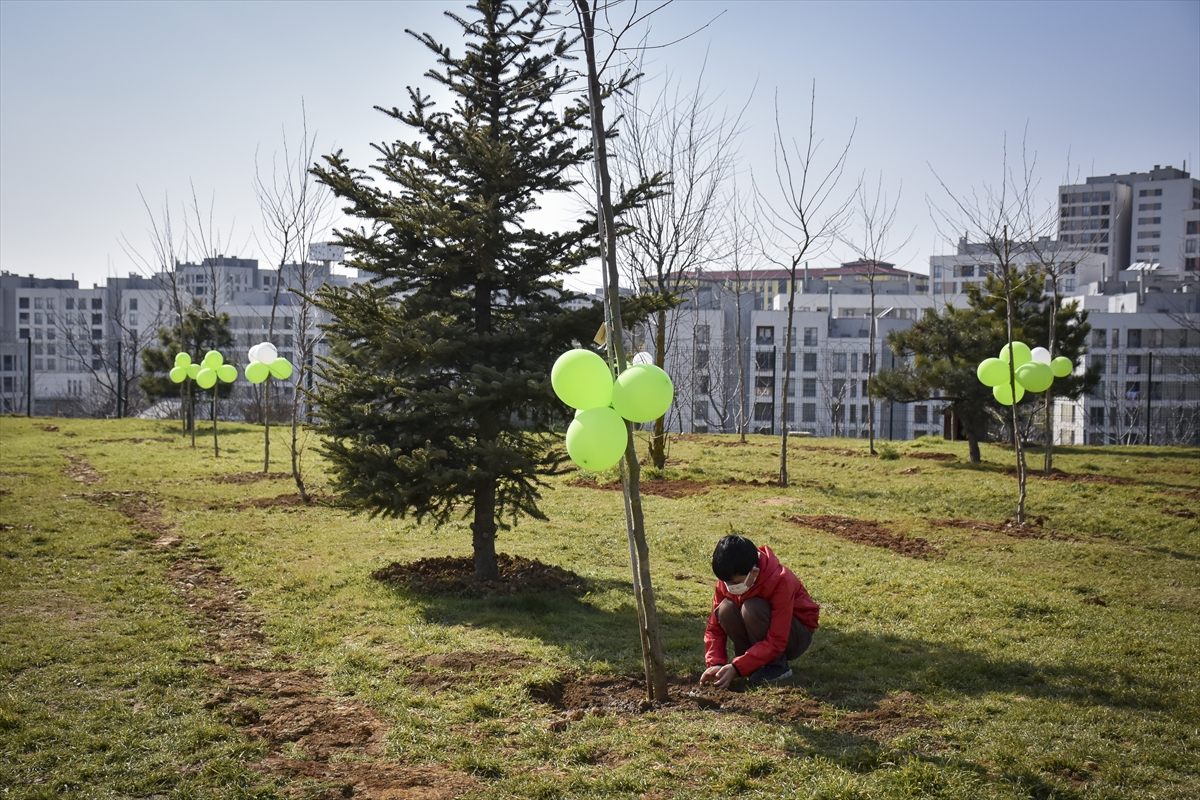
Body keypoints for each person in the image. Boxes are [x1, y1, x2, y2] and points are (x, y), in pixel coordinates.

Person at [699, 534, 819, 688]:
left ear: (754, 573)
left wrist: (737, 667)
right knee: (725, 609)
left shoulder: (781, 580)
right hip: (767, 633)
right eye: (726, 582)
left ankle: (777, 666)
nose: (729, 587)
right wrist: (716, 663)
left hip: (795, 635)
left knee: (752, 608)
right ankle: (750, 663)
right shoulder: (728, 579)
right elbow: (714, 629)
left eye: (735, 582)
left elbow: (778, 639)